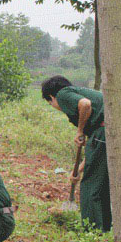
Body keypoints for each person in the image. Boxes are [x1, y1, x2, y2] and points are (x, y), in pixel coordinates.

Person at [42, 76, 111, 232]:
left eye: (50, 103)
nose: (54, 106)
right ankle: (104, 228)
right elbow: (93, 156)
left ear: (52, 97)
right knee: (100, 183)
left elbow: (85, 105)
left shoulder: (63, 94)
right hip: (106, 133)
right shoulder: (79, 94)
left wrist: (79, 130)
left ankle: (92, 230)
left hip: (103, 133)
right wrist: (78, 171)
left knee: (90, 184)